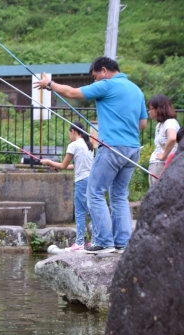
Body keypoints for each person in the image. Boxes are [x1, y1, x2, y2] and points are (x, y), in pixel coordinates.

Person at [33, 56, 147, 254]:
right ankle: (123, 242)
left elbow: (72, 92)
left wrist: (49, 84)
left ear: (104, 70)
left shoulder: (107, 85)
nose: (95, 81)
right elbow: (143, 124)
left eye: (95, 76)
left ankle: (104, 242)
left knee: (94, 192)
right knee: (120, 196)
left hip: (112, 148)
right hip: (133, 149)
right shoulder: (136, 90)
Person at [40, 122, 94, 251]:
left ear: (73, 131)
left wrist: (48, 162)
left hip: (81, 181)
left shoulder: (74, 145)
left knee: (80, 212)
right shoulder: (89, 145)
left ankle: (80, 242)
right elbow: (76, 166)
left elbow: (63, 165)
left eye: (69, 133)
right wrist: (56, 166)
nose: (69, 135)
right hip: (91, 180)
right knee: (91, 211)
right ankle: (95, 240)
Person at [146, 94, 180, 183]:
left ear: (158, 109)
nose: (149, 112)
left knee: (158, 194)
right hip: (157, 164)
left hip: (161, 165)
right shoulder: (160, 124)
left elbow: (172, 138)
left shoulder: (170, 122)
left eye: (150, 109)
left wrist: (164, 156)